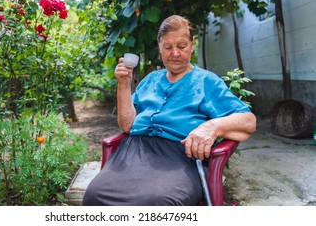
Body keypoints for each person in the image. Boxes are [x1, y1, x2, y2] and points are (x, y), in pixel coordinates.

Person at [82, 15, 257, 206]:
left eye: (181, 46)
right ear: (160, 49)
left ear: (192, 45)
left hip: (179, 159)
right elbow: (127, 125)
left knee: (158, 202)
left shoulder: (207, 82)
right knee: (95, 196)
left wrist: (212, 127)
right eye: (168, 47)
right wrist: (124, 84)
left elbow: (248, 121)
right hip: (132, 155)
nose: (175, 53)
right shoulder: (150, 80)